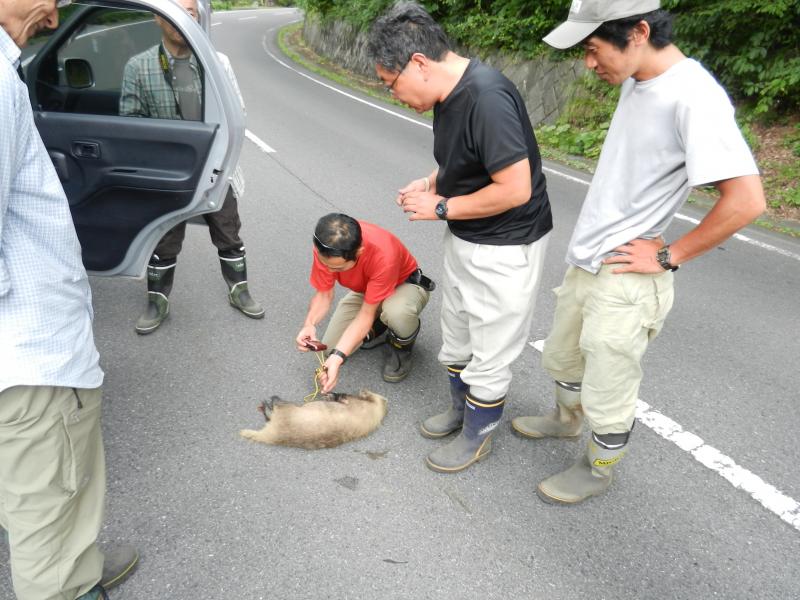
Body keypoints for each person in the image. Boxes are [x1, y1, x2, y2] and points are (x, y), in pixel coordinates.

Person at [511, 0, 766, 505]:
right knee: (562, 356)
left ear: (639, 32)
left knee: (608, 384)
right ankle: (564, 420)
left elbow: (747, 200)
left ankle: (599, 467)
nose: (589, 63)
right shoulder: (636, 79)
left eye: (593, 48)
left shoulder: (694, 97)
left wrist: (669, 255)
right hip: (590, 256)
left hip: (628, 276)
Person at [367, 2, 553, 473]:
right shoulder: (448, 95)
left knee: (491, 348)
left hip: (507, 245)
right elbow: (467, 160)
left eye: (392, 83)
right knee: (459, 334)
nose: (394, 94)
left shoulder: (487, 97)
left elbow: (515, 188)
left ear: (419, 64)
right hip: (468, 236)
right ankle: (458, 409)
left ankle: (477, 435)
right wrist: (434, 182)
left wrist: (442, 207)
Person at [0, 0, 139, 598]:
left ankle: (72, 558)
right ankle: (65, 579)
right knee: (49, 500)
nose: (55, 17)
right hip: (28, 355)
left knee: (34, 489)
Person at [119, 0, 264, 334]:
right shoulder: (139, 66)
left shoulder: (216, 63)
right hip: (167, 171)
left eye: (191, 11)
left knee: (229, 232)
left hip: (214, 167)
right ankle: (157, 301)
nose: (184, 18)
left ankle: (239, 290)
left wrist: (223, 156)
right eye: (175, 11)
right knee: (164, 238)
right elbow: (129, 120)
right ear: (158, 17)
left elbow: (236, 112)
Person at [296, 213, 433, 392]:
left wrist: (338, 358)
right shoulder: (326, 248)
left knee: (396, 313)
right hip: (368, 291)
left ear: (359, 252)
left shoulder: (384, 255)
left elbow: (365, 314)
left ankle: (402, 347)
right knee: (330, 348)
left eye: (337, 268)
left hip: (404, 286)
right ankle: (379, 327)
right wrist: (309, 324)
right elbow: (324, 295)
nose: (329, 270)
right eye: (326, 265)